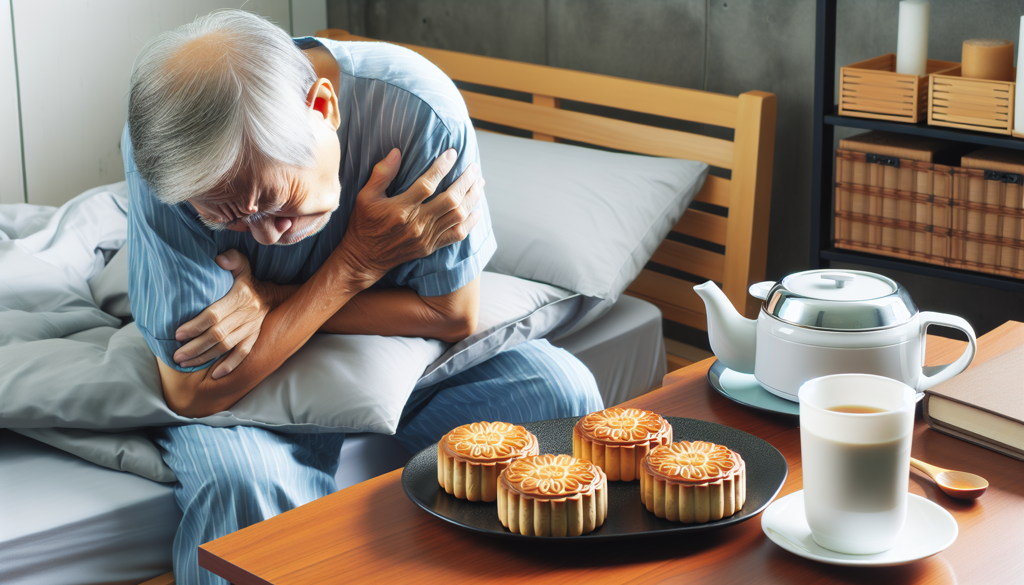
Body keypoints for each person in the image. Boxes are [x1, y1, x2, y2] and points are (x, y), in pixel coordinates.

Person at [123, 10, 603, 584]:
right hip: (248, 403)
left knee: (558, 390)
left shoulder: (419, 113)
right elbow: (193, 389)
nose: (267, 235)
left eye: (276, 203)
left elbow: (452, 315)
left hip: (406, 362)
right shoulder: (167, 154)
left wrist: (278, 294)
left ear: (322, 108)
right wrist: (353, 265)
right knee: (241, 484)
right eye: (227, 219)